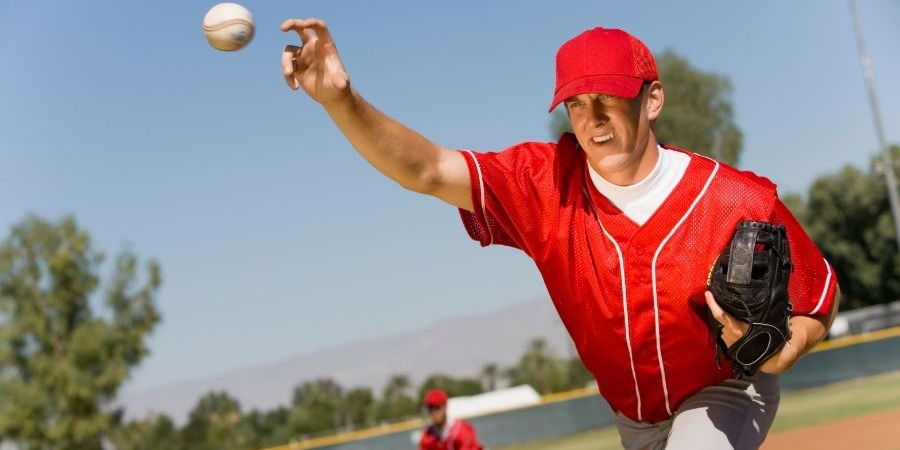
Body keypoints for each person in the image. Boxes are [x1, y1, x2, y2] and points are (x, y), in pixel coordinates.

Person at [278, 18, 841, 450]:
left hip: (720, 391)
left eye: (608, 99)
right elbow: (426, 169)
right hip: (631, 417)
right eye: (576, 103)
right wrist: (341, 101)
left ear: (652, 99)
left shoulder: (735, 198)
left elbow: (820, 296)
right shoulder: (543, 185)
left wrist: (784, 350)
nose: (592, 119)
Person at [417, 389, 483, 450]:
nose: (434, 412)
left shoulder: (461, 430)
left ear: (445, 406)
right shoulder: (428, 436)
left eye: (437, 407)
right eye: (431, 408)